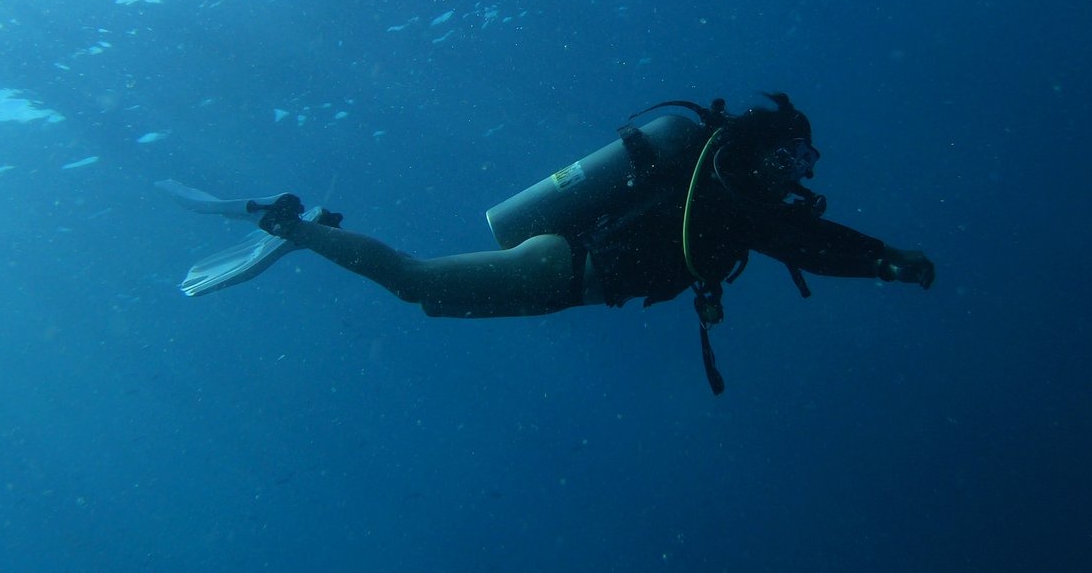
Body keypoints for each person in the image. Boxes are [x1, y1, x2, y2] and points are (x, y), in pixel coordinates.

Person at [220, 93, 934, 393]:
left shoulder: (723, 190)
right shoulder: (730, 194)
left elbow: (798, 236)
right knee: (414, 281)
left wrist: (873, 258)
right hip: (561, 268)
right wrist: (880, 259)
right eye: (796, 158)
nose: (801, 174)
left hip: (567, 276)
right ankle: (294, 225)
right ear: (766, 152)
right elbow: (806, 242)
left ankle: (303, 228)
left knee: (423, 295)